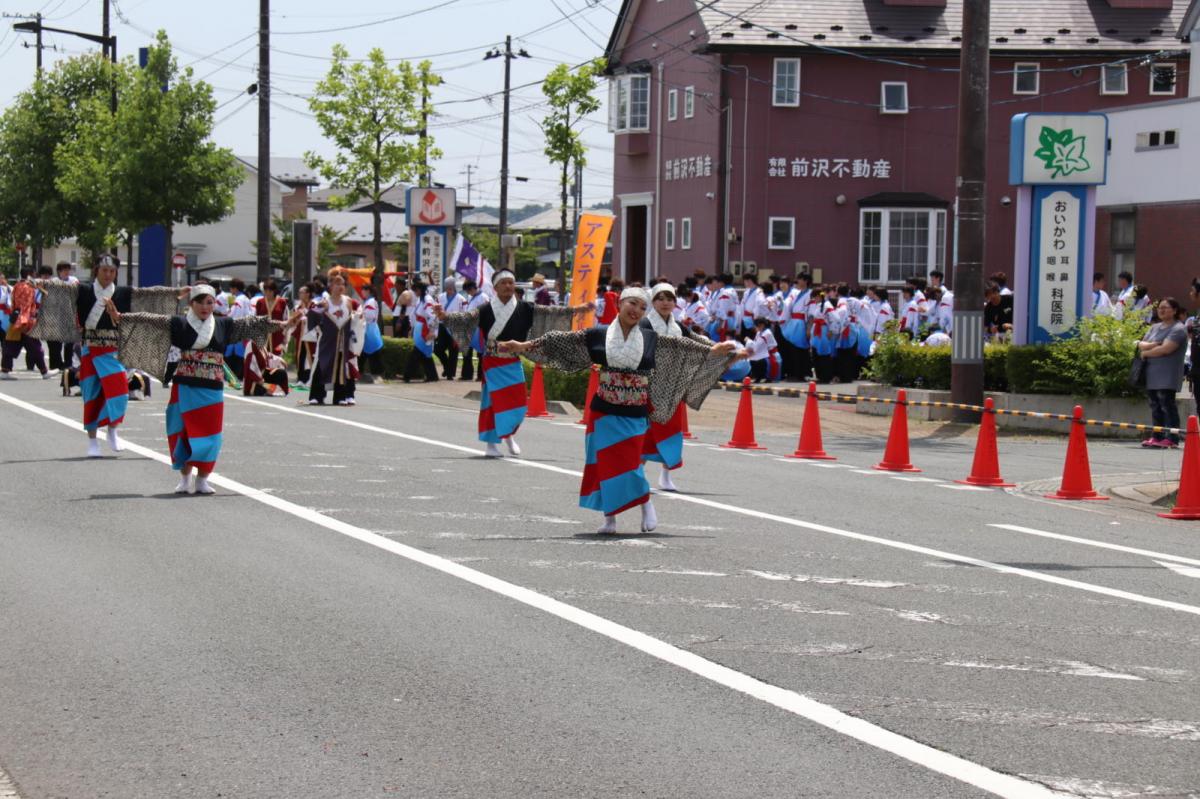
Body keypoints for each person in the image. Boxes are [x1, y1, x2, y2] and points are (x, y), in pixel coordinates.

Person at [500, 287, 740, 534]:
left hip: (635, 411)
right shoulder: (599, 334)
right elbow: (561, 341)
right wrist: (522, 345)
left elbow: (682, 349)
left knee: (630, 463)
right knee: (603, 463)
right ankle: (609, 519)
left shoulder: (650, 338)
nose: (636, 310)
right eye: (632, 304)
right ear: (620, 305)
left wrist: (713, 351)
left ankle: (645, 501)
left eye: (642, 307)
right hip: (603, 411)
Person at [114, 285, 291, 494]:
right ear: (192, 304)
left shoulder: (223, 324)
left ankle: (203, 479)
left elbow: (252, 324)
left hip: (212, 387)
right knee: (184, 431)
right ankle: (185, 477)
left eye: (210, 302)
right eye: (200, 302)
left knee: (211, 434)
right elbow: (151, 319)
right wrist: (121, 317)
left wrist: (283, 324)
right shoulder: (179, 323)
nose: (205, 307)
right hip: (185, 384)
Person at [34, 254, 181, 455]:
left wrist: (175, 293)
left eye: (112, 271)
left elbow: (148, 294)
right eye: (104, 270)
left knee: (120, 390)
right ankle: (93, 442)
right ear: (97, 270)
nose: (108, 274)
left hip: (112, 350)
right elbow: (61, 290)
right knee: (91, 394)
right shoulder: (83, 290)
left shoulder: (122, 293)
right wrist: (42, 284)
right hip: (89, 349)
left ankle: (112, 430)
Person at [437, 269, 588, 458]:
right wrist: (444, 317)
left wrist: (576, 310)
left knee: (517, 404)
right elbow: (465, 318)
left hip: (512, 361)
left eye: (511, 282)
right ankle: (491, 444)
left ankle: (508, 435)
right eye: (504, 283)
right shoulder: (485, 309)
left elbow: (550, 312)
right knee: (492, 403)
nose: (508, 286)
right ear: (495, 287)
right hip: (492, 362)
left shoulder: (524, 308)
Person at [640, 283, 720, 492]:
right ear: (653, 301)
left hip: (674, 387)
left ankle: (666, 476)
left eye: (670, 299)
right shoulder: (645, 324)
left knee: (673, 432)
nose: (665, 303)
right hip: (649, 386)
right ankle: (637, 473)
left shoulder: (679, 327)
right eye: (660, 298)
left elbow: (698, 341)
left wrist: (721, 349)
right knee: (646, 431)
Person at [1137, 297, 1189, 448]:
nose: (1161, 310)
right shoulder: (1154, 327)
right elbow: (1141, 344)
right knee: (1155, 406)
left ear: (1174, 310)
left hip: (1168, 374)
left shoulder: (1178, 329)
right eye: (1160, 307)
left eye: (1166, 307)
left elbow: (1166, 349)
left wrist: (1147, 352)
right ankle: (1157, 436)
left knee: (1167, 405)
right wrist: (1153, 345)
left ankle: (1172, 438)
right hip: (1152, 373)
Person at [308, 273, 361, 406]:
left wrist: (356, 318)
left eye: (342, 284)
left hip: (342, 340)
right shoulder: (325, 302)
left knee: (340, 368)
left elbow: (357, 317)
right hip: (328, 340)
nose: (340, 286)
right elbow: (313, 316)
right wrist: (321, 312)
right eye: (337, 284)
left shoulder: (348, 302)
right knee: (323, 365)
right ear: (330, 286)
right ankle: (316, 395)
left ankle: (340, 396)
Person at [1, 269, 49, 381]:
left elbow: (13, 303)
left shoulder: (17, 285)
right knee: (35, 347)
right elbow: (25, 306)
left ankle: (5, 370)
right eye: (34, 275)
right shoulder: (27, 288)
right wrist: (26, 320)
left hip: (16, 320)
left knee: (10, 345)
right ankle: (44, 371)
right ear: (30, 275)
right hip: (25, 321)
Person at [402, 281, 439, 383]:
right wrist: (412, 328)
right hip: (420, 328)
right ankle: (432, 376)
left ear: (420, 290)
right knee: (424, 355)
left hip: (425, 329)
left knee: (417, 353)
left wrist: (432, 331)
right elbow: (415, 315)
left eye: (416, 290)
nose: (415, 292)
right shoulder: (421, 299)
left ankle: (407, 375)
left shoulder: (427, 300)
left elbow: (432, 316)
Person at [435, 276, 465, 379]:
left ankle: (450, 373)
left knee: (453, 351)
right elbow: (436, 310)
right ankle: (447, 367)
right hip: (442, 326)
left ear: (454, 287)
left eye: (450, 287)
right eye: (447, 287)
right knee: (438, 349)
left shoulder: (461, 299)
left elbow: (464, 314)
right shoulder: (440, 297)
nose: (449, 289)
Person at [459, 279, 487, 381]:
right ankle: (467, 374)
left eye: (467, 291)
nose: (467, 293)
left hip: (479, 328)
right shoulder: (473, 297)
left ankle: (481, 375)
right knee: (466, 352)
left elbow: (486, 313)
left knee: (480, 353)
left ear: (472, 289)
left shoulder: (483, 297)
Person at [253, 278, 289, 354]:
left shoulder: (282, 302)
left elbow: (287, 320)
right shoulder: (260, 302)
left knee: (276, 361)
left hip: (277, 336)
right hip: (263, 336)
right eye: (266, 291)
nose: (268, 293)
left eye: (270, 291)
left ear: (274, 291)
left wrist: (285, 340)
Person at [746, 316, 782, 383]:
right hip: (763, 351)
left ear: (762, 325)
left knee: (756, 359)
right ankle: (758, 376)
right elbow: (756, 344)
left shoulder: (767, 333)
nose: (756, 327)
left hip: (770, 353)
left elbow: (758, 345)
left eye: (757, 325)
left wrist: (748, 341)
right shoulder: (759, 333)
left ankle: (761, 376)